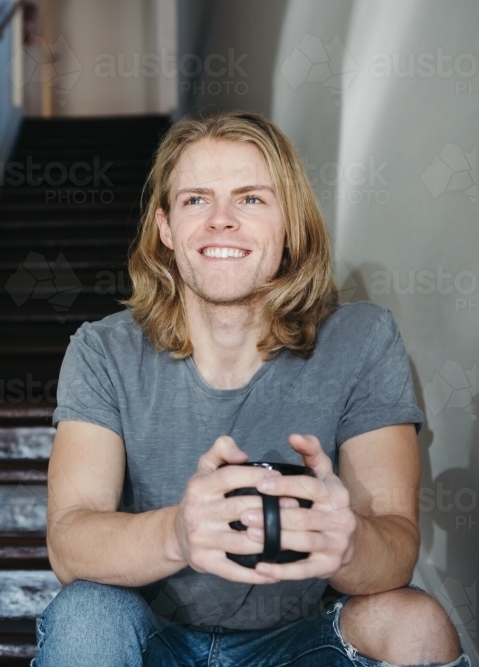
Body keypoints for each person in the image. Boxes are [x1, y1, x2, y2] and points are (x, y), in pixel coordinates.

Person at [33, 110, 470, 667]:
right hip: (155, 637)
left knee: (419, 624)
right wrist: (179, 534)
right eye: (196, 200)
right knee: (85, 614)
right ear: (165, 229)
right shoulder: (103, 350)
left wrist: (348, 541)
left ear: (289, 224)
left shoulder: (361, 339)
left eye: (250, 199)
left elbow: (396, 549)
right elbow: (70, 541)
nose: (221, 221)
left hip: (297, 640)